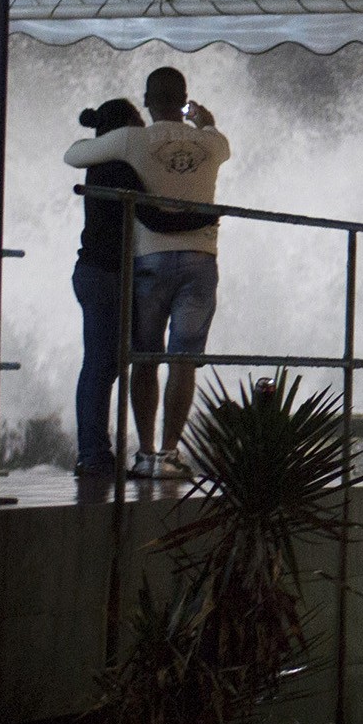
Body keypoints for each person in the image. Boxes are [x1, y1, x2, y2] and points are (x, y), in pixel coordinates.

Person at [62, 65, 230, 480]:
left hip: (133, 266)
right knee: (174, 361)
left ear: (148, 100)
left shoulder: (128, 146)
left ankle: (135, 452)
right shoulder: (213, 143)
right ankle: (161, 453)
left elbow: (73, 154)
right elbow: (157, 214)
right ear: (185, 98)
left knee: (138, 360)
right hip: (179, 262)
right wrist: (203, 124)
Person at [68, 98, 144, 480]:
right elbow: (149, 213)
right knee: (102, 365)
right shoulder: (121, 169)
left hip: (92, 271)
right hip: (106, 274)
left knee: (101, 364)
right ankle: (94, 455)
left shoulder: (99, 164)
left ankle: (94, 453)